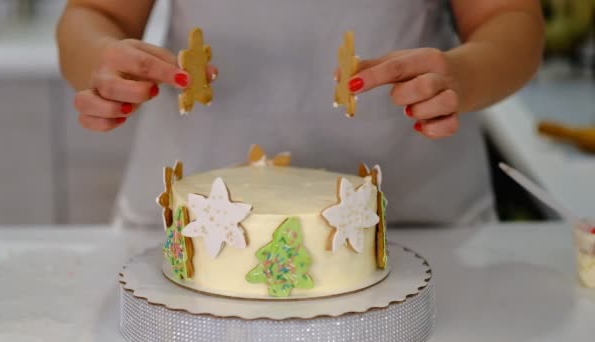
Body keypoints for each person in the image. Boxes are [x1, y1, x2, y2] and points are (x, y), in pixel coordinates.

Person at [57, 0, 544, 226]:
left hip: (415, 220)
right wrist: (102, 62)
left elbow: (510, 20)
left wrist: (464, 75)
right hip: (192, 224)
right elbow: (96, 13)